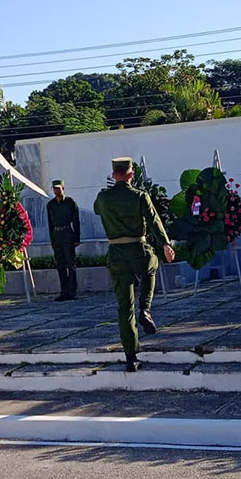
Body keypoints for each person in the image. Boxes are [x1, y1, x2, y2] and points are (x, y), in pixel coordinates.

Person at [94, 157, 175, 372]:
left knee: (124, 308)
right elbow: (155, 220)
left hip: (116, 253)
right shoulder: (140, 196)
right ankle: (146, 308)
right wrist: (166, 244)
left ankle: (131, 357)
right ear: (131, 175)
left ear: (114, 175)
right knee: (152, 265)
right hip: (138, 249)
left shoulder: (103, 198)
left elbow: (96, 209)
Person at [46, 179, 80, 301]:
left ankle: (72, 291)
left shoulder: (70, 203)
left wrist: (77, 238)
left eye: (58, 188)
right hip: (57, 235)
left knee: (71, 264)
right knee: (60, 264)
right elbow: (50, 224)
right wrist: (52, 239)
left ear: (63, 188)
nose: (56, 191)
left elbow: (76, 221)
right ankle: (63, 291)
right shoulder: (50, 205)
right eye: (54, 189)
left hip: (67, 234)